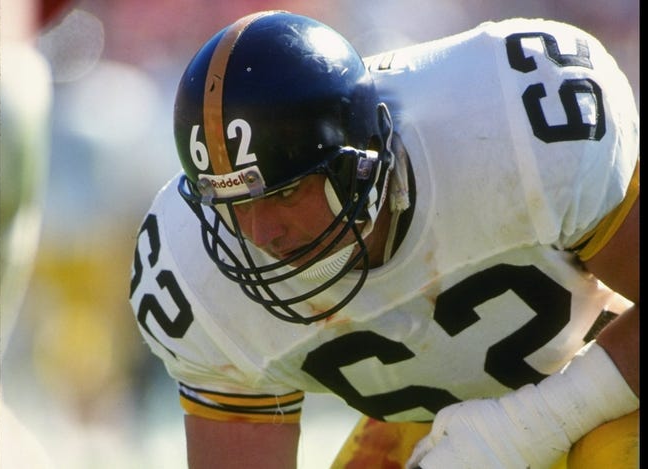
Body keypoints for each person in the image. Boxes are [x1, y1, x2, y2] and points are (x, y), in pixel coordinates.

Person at [128, 10, 639, 469]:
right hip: (441, 429)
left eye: (285, 194)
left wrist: (531, 427)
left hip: (615, 383)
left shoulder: (511, 123)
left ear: (362, 163)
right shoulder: (194, 274)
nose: (262, 233)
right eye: (234, 204)